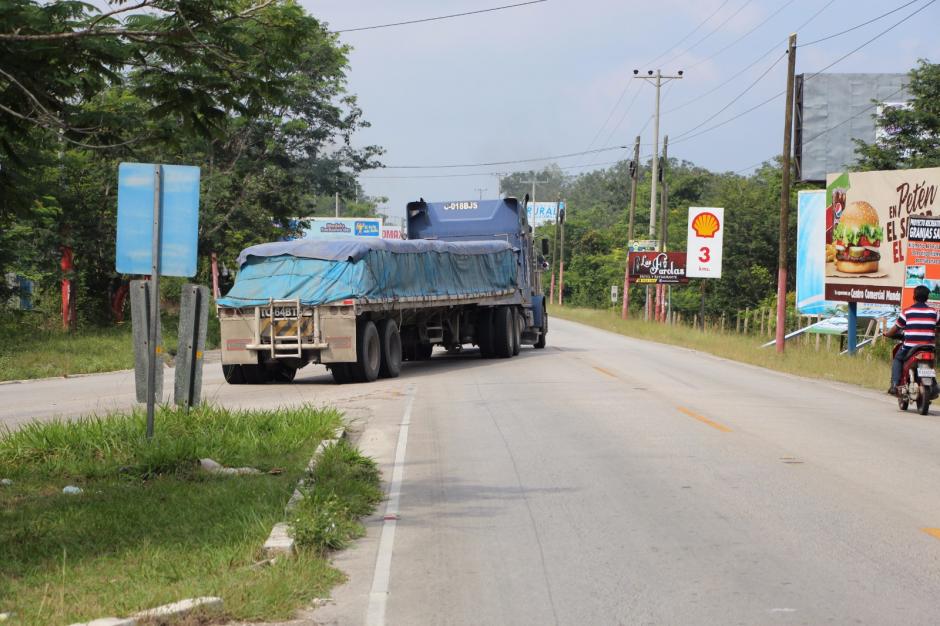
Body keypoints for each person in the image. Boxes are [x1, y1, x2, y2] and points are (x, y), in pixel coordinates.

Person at [883, 285, 939, 394]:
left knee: (898, 359)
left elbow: (896, 328)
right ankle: (934, 384)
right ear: (927, 298)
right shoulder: (934, 312)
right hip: (928, 348)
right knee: (931, 362)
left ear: (914, 296)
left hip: (910, 347)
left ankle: (894, 385)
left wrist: (887, 334)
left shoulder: (907, 312)